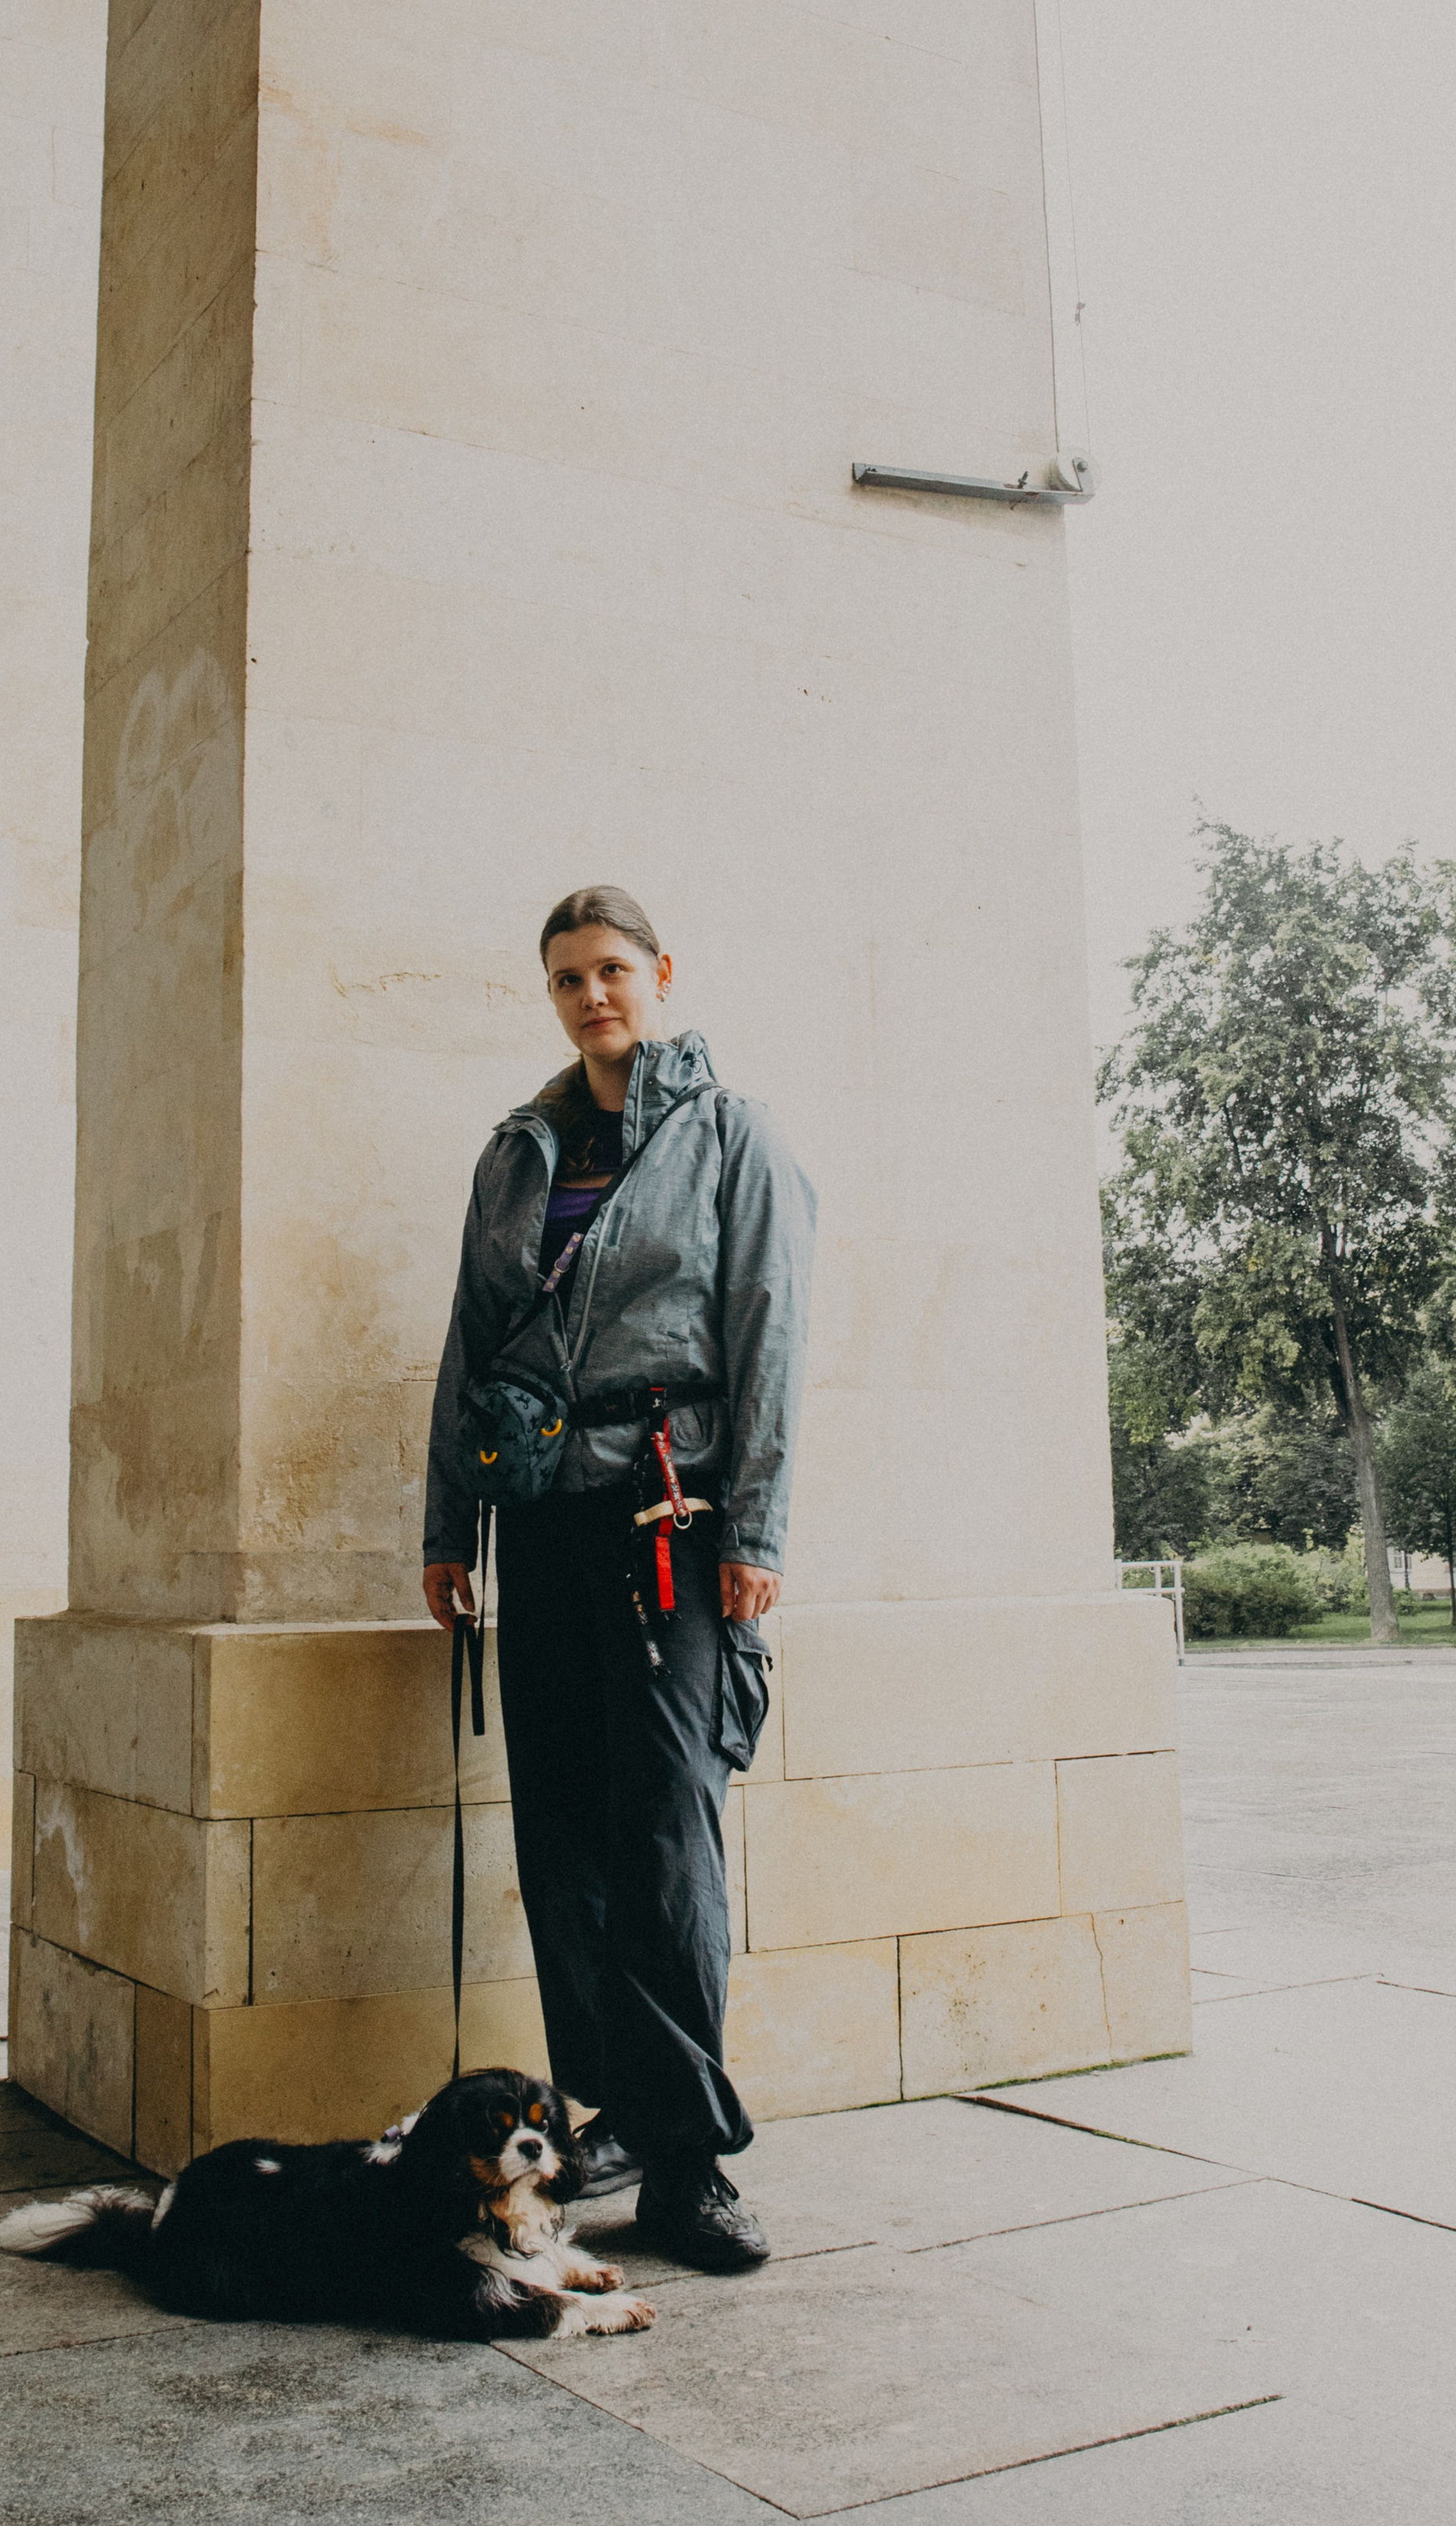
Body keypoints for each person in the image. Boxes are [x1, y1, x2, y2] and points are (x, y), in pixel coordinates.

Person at [421, 888, 815, 2275]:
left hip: (670, 1526)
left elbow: (769, 1336)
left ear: (661, 974)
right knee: (566, 1841)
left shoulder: (732, 1137)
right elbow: (471, 1349)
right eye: (566, 979)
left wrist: (755, 1534)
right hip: (538, 1526)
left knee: (664, 1841)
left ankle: (689, 2161)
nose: (593, 997)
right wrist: (448, 1529)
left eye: (611, 972)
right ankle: (628, 2115)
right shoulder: (518, 1153)